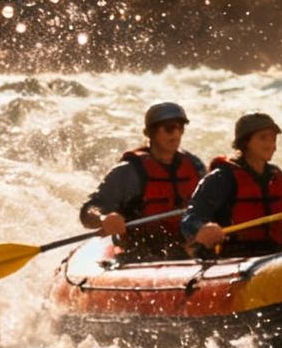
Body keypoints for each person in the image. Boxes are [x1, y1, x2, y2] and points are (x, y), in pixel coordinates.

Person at [182, 111, 282, 256]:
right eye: (263, 138)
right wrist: (201, 229)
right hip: (234, 254)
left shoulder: (281, 178)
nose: (270, 145)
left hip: (274, 251)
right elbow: (190, 220)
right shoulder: (220, 179)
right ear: (245, 142)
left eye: (273, 139)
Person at [80, 102, 206, 258]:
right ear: (150, 133)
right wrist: (103, 218)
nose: (176, 134)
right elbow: (88, 210)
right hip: (140, 253)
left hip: (187, 248)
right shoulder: (128, 172)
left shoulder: (195, 166)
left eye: (180, 128)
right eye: (169, 128)